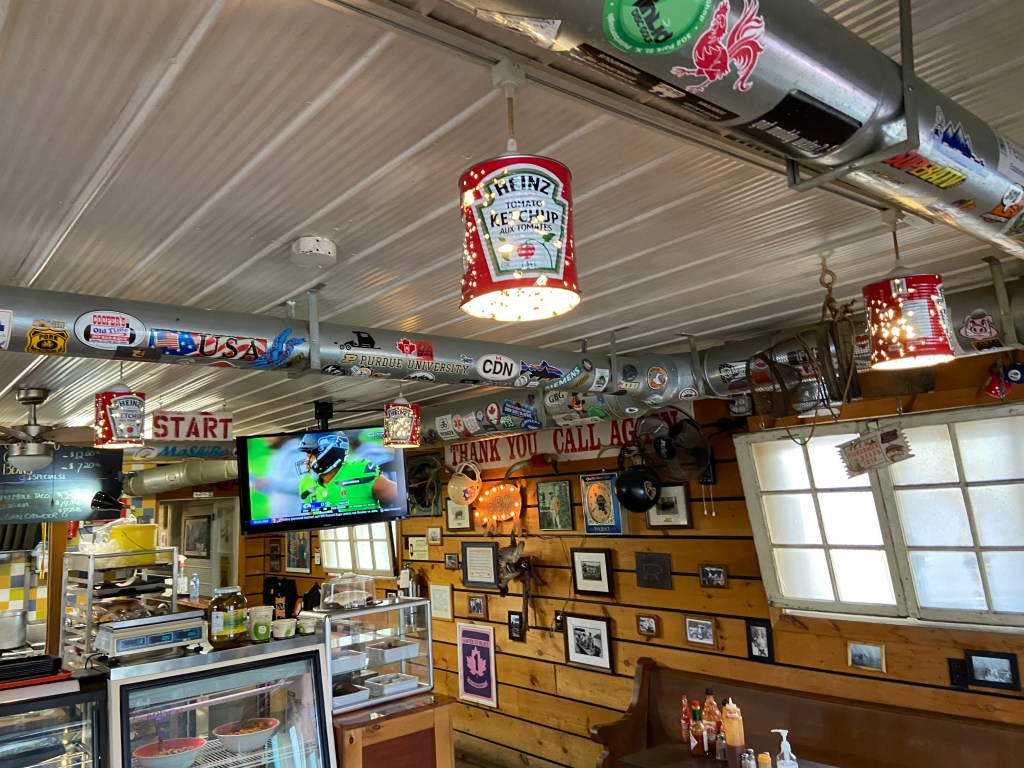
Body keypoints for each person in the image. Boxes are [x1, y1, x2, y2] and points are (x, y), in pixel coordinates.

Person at [298, 432, 398, 513]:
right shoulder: (305, 484)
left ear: (328, 454)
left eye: (310, 455)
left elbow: (400, 496)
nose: (307, 461)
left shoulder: (359, 471)